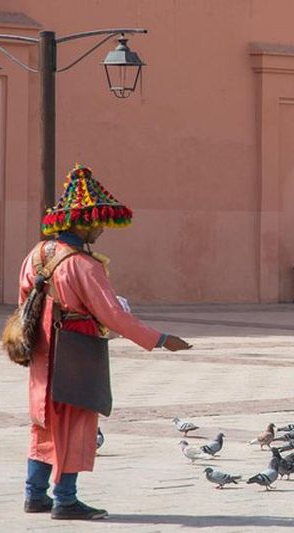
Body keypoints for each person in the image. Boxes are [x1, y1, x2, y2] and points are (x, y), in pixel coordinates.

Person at [19, 165, 191, 520]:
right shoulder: (83, 265)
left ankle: (34, 494)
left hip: (42, 349)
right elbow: (113, 314)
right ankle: (65, 498)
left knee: (44, 420)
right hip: (76, 350)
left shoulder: (36, 255)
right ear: (82, 223)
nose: (101, 230)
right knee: (76, 421)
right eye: (98, 224)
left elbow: (26, 302)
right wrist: (158, 339)